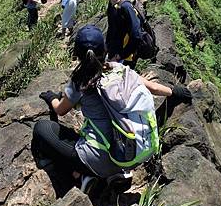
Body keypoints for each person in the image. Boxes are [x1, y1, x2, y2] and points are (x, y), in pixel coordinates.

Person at [33, 25, 191, 194]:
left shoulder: (79, 81)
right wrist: (174, 92)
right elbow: (151, 87)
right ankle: (115, 172)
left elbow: (60, 110)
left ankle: (81, 177)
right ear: (105, 50)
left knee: (42, 128)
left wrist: (52, 99)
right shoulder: (120, 69)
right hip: (137, 152)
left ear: (76, 54)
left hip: (98, 159)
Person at [100, 0, 143, 69]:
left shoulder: (126, 7)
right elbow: (112, 29)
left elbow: (136, 35)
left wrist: (120, 56)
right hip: (113, 53)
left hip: (124, 58)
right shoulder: (112, 4)